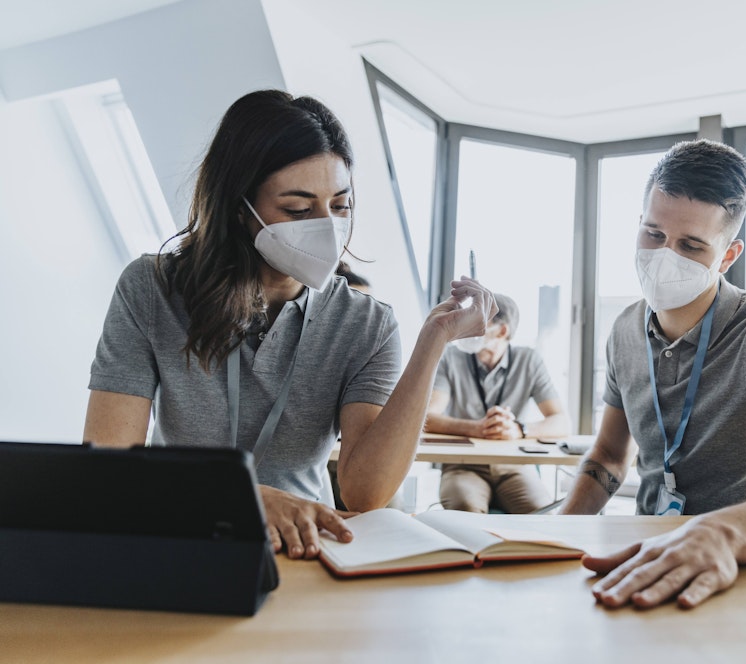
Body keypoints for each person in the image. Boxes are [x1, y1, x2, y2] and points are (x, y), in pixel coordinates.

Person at [83, 89, 496, 560]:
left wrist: (433, 343)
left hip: (307, 551)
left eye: (340, 206)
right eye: (298, 210)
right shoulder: (152, 288)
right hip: (182, 535)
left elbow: (366, 493)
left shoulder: (367, 324)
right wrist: (246, 499)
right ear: (241, 209)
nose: (326, 227)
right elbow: (108, 463)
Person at [560, 139, 746, 609]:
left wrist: (717, 533)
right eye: (653, 235)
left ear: (729, 254)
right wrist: (556, 537)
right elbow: (611, 457)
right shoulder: (624, 331)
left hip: (745, 562)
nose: (664, 256)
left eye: (691, 245)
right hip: (646, 560)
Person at [424, 293, 569, 513]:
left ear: (502, 331)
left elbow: (561, 422)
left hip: (514, 466)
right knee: (466, 511)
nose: (465, 329)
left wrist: (519, 429)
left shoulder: (529, 360)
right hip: (463, 465)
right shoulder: (451, 358)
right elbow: (427, 417)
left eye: (477, 322)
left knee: (541, 515)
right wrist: (476, 429)